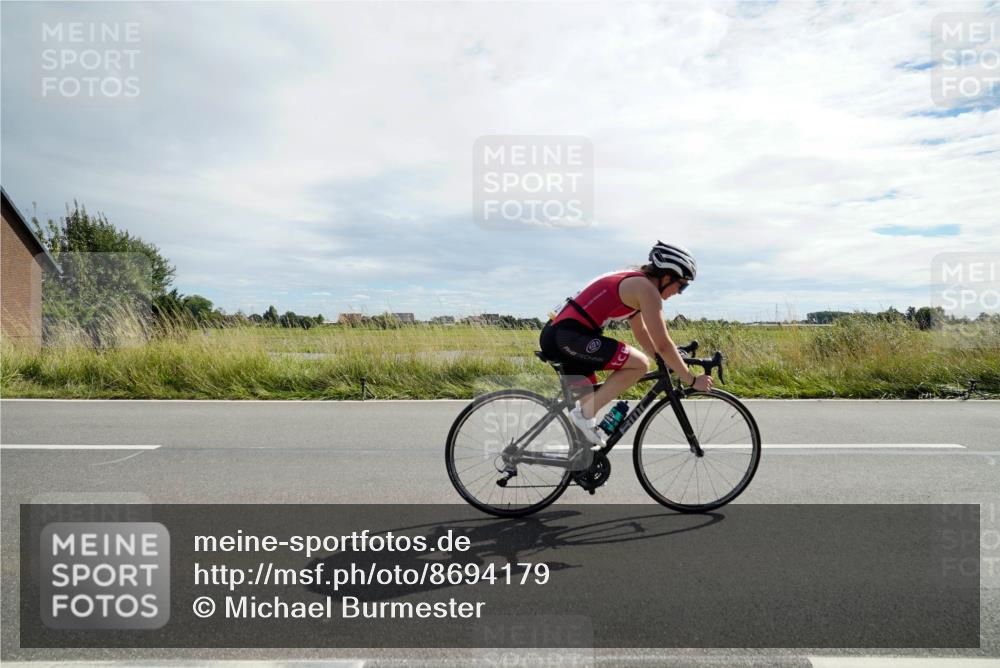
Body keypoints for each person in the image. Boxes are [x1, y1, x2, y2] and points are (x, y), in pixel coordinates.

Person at [539, 241, 714, 447]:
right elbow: (663, 344)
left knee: (588, 407)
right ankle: (583, 416)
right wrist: (692, 380)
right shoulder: (646, 289)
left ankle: (579, 465)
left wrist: (665, 360)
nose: (679, 292)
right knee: (639, 364)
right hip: (569, 336)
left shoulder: (638, 284)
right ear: (667, 277)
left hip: (563, 334)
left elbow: (641, 333)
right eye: (682, 285)